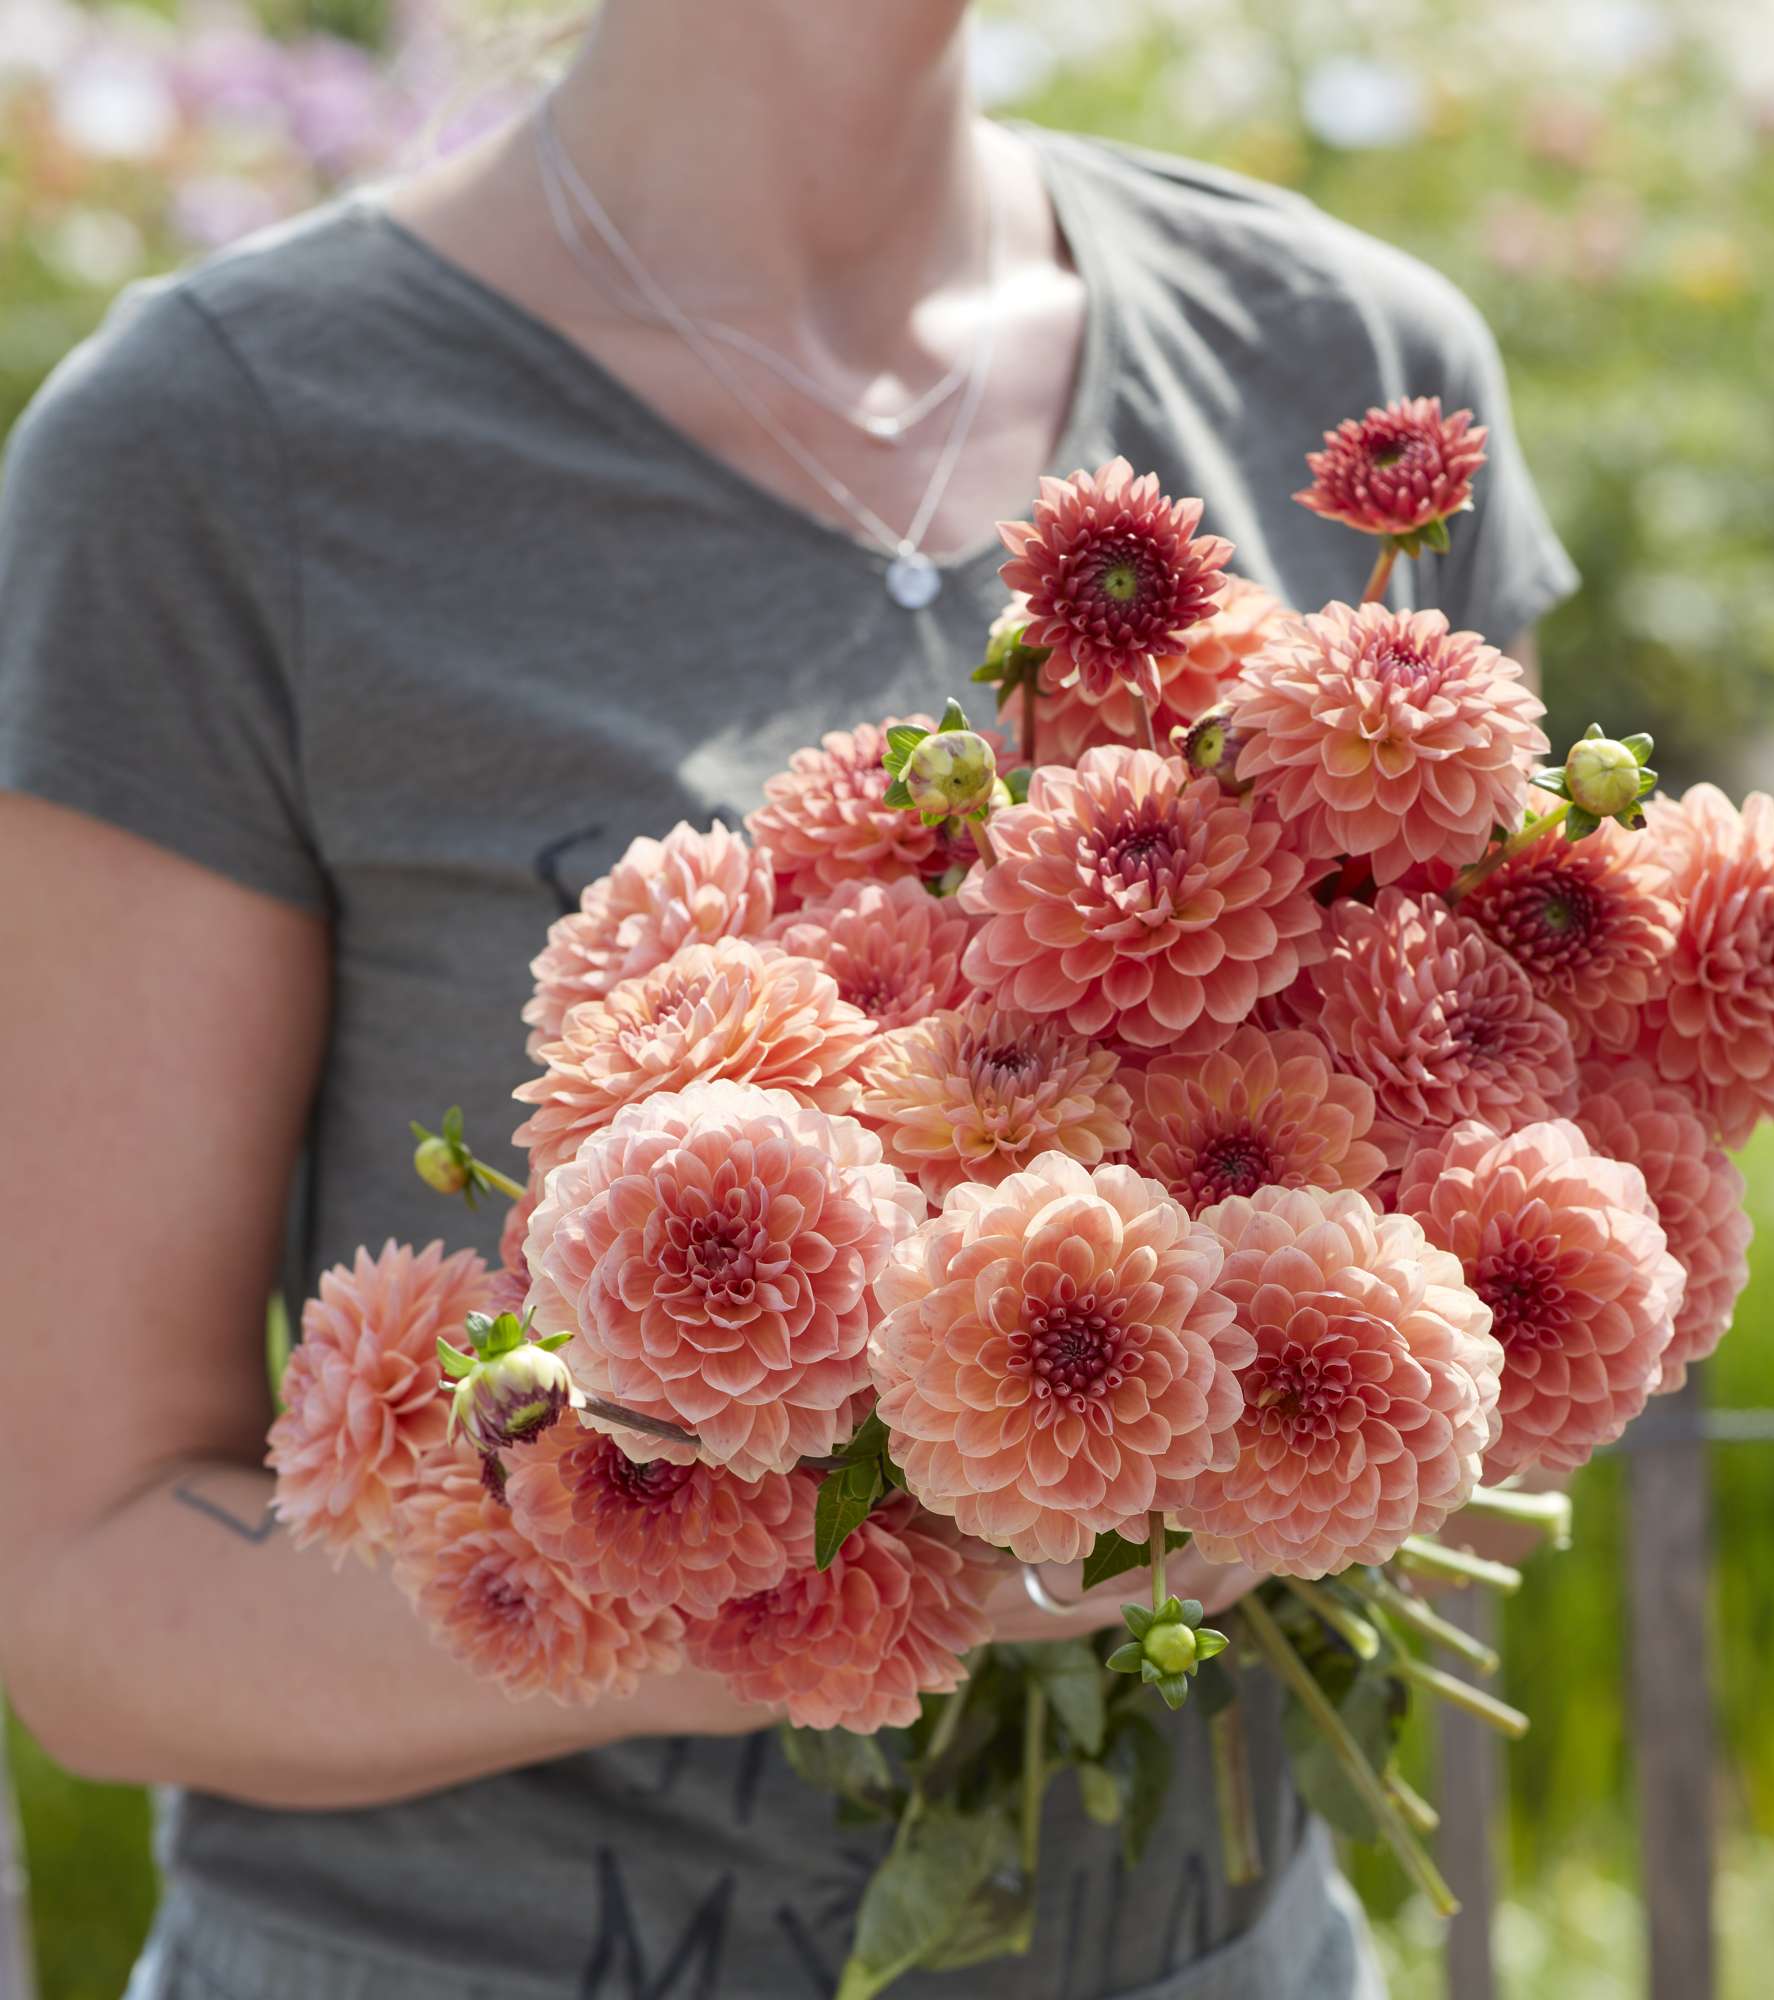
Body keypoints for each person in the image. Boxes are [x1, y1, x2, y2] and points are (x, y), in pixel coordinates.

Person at [0, 4, 1576, 1995]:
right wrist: (855, 1579)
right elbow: (85, 1590)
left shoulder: (1340, 363)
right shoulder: (222, 450)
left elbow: (1504, 1169)